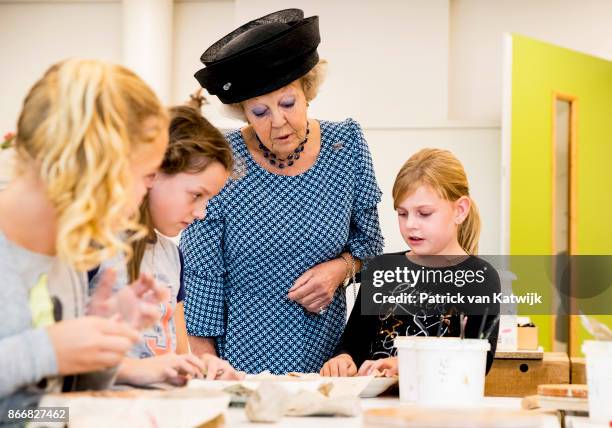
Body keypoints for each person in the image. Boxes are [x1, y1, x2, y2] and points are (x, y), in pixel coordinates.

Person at [182, 8, 384, 374]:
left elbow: (370, 248)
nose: (278, 122)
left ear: (308, 90)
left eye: (288, 104)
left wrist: (340, 270)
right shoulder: (222, 161)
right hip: (237, 369)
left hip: (328, 367)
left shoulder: (347, 146)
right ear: (243, 113)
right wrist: (207, 366)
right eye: (260, 112)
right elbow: (202, 275)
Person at [0, 59, 169, 410]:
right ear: (98, 168)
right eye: (144, 175)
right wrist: (45, 351)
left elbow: (50, 407)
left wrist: (103, 346)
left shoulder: (70, 255)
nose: (143, 195)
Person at [90, 98, 243, 385]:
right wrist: (134, 370)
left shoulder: (172, 256)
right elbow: (60, 357)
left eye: (208, 200)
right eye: (196, 195)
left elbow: (176, 353)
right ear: (154, 173)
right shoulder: (93, 244)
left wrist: (203, 365)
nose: (201, 213)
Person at [320, 148, 500, 377]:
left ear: (460, 210)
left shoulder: (481, 278)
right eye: (402, 213)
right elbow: (354, 345)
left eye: (424, 213)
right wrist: (343, 358)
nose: (410, 225)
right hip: (377, 409)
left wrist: (410, 365)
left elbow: (479, 361)